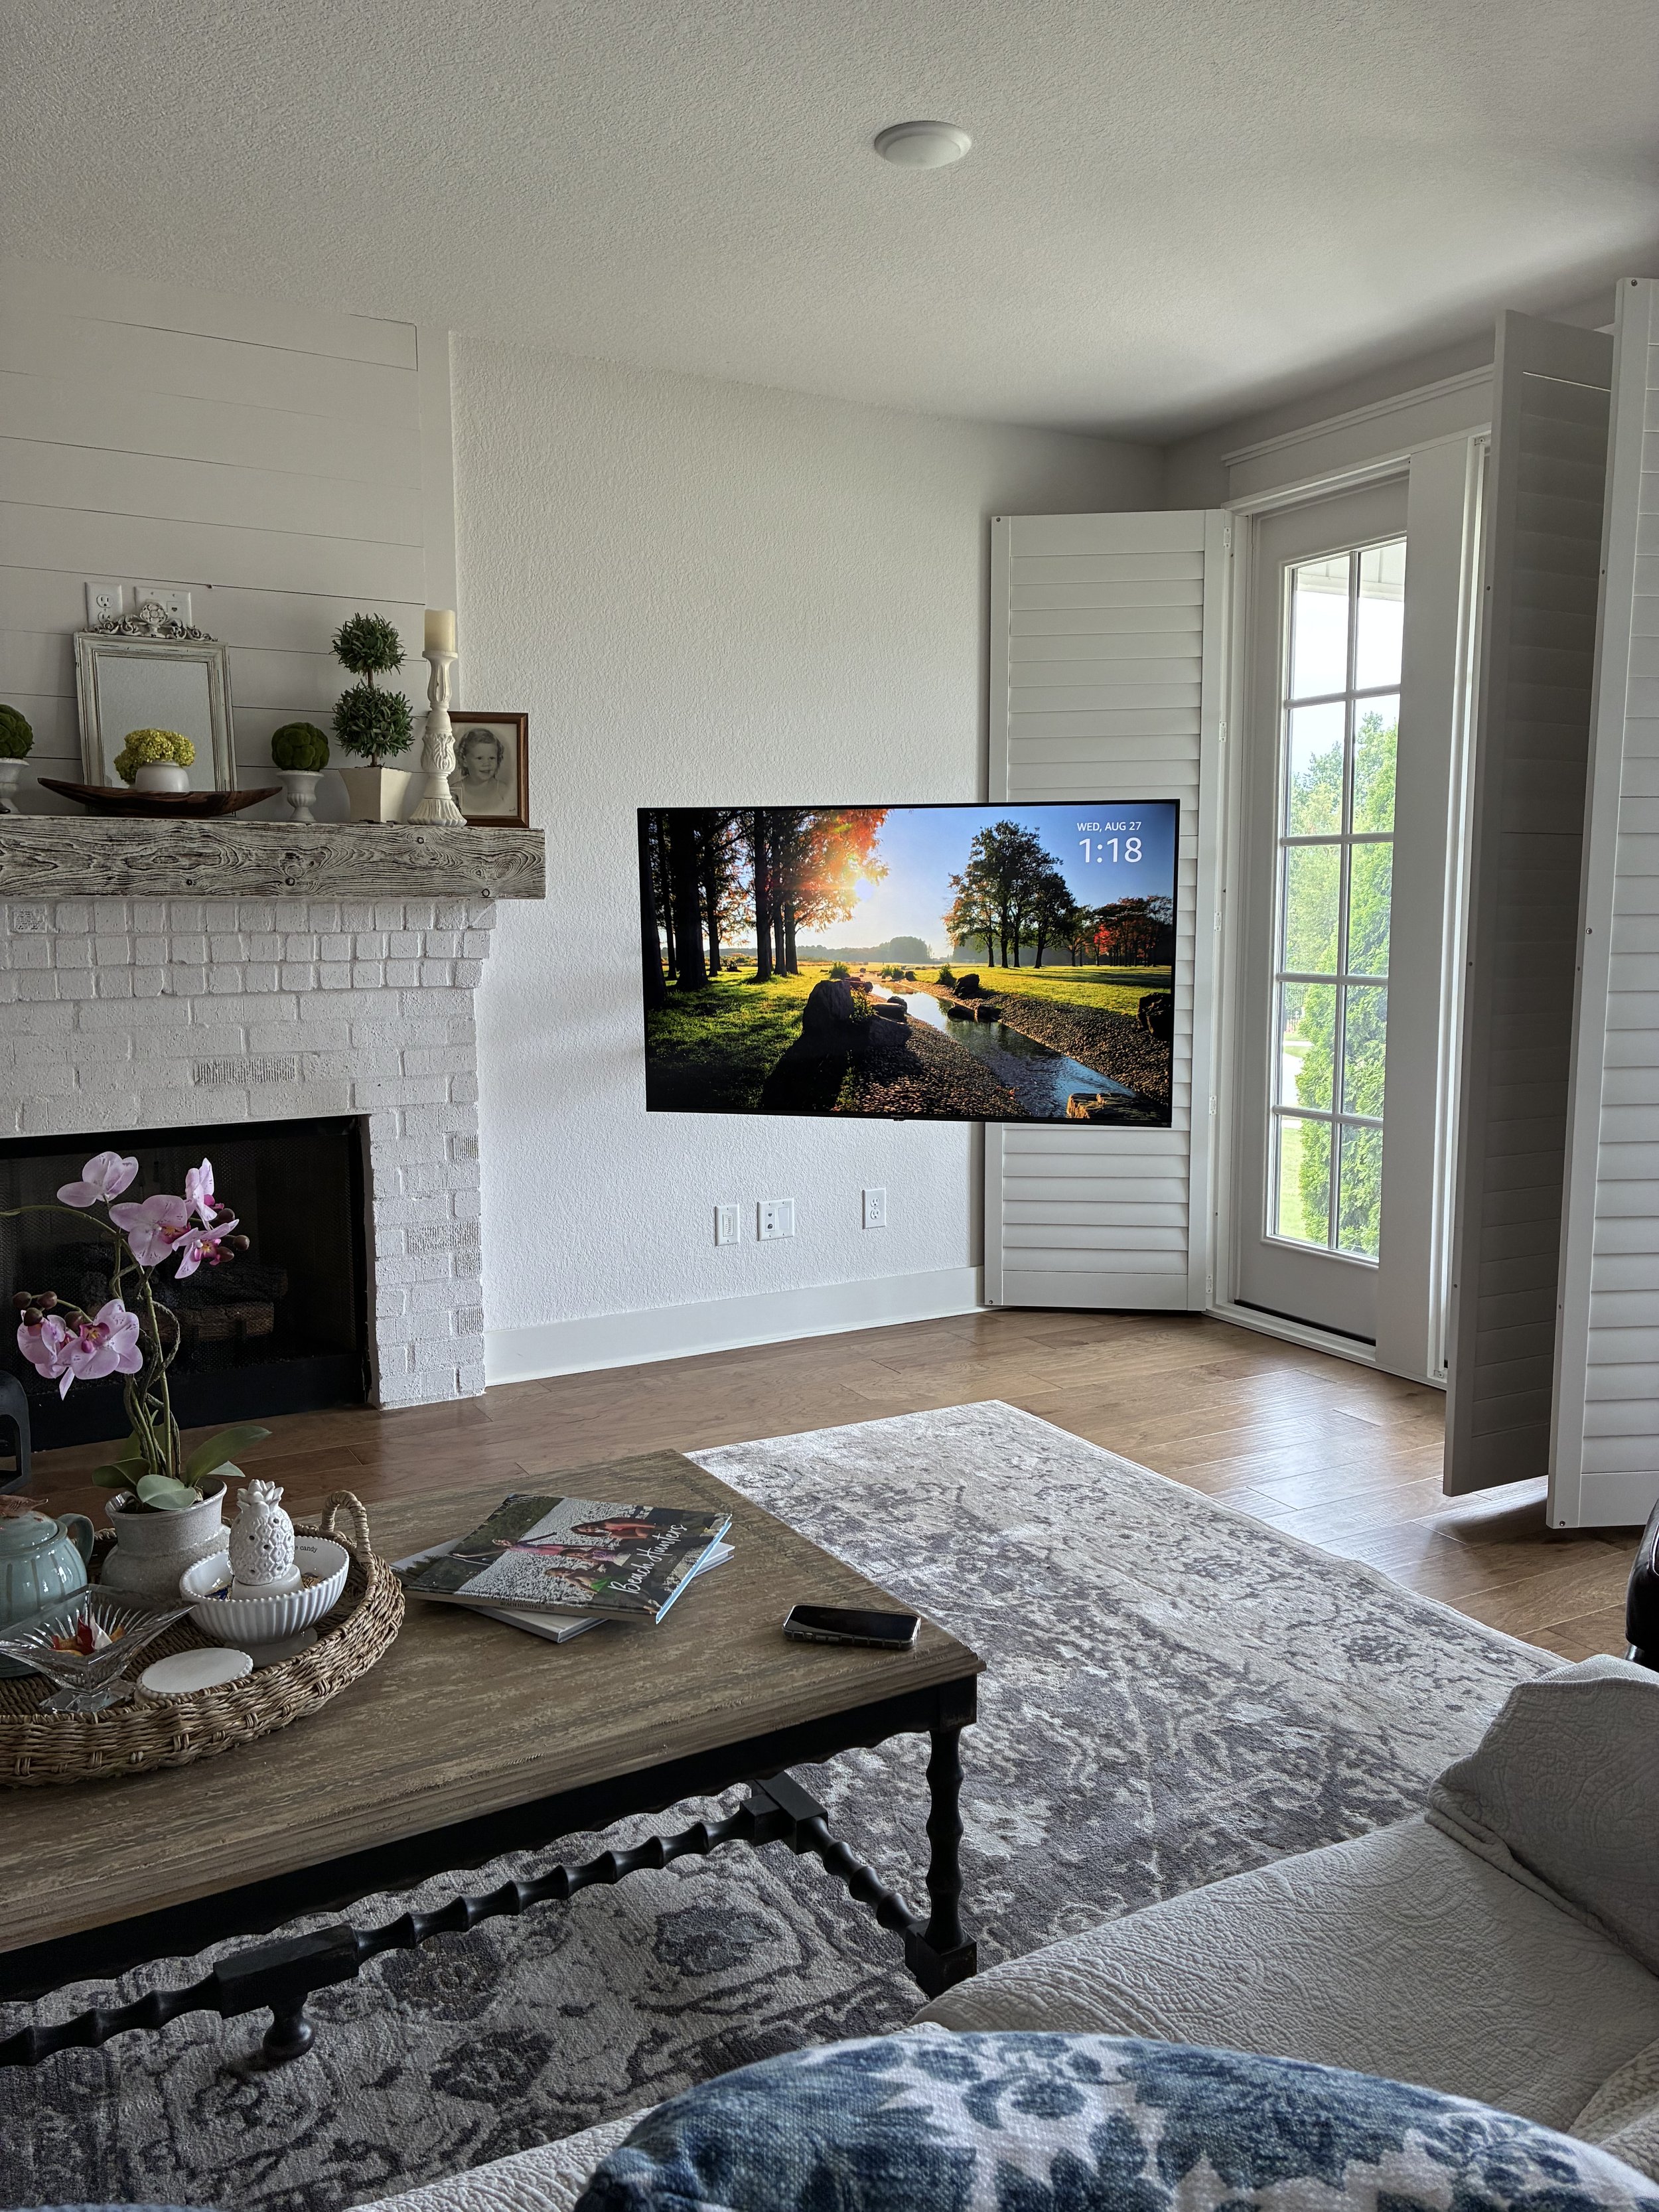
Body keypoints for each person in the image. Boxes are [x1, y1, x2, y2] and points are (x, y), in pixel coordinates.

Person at [449, 725, 515, 815]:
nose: (487, 763)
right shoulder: (455, 791)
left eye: (492, 758)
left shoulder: (502, 790)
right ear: (464, 761)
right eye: (480, 758)